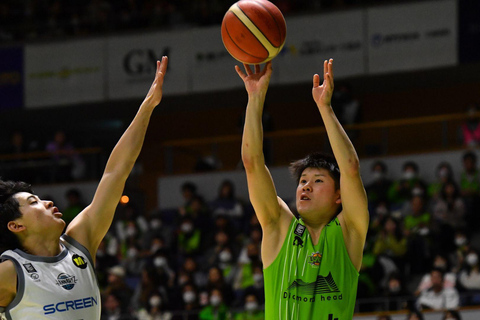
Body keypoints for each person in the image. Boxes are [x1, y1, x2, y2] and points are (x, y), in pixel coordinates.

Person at [0, 56, 169, 319]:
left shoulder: (79, 243)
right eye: (33, 202)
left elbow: (116, 172)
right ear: (16, 225)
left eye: (40, 198)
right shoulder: (10, 271)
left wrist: (147, 107)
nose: (46, 202)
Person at [236, 58, 368, 319]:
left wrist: (325, 108)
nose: (306, 186)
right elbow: (252, 163)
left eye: (318, 181)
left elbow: (350, 167)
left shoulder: (349, 231)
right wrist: (255, 97)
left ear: (339, 195)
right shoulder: (279, 226)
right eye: (303, 181)